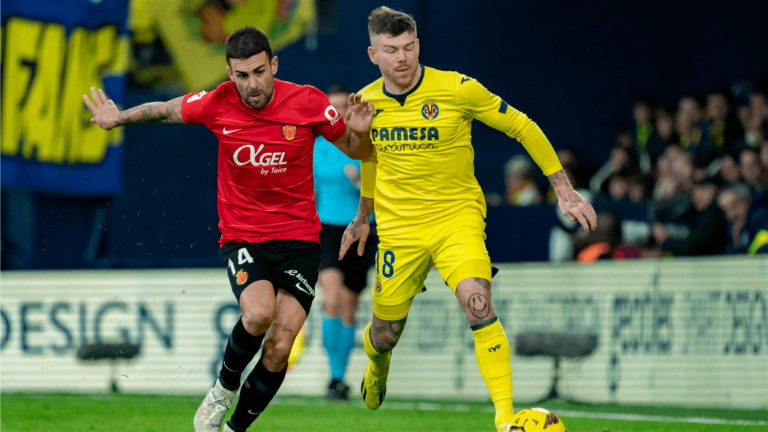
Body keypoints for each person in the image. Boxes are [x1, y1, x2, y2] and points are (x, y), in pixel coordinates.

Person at [84, 26, 374, 432]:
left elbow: (359, 152)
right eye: (241, 75)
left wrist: (360, 133)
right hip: (244, 237)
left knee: (279, 349)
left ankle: (235, 428)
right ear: (229, 73)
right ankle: (222, 390)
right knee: (258, 314)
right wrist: (119, 118)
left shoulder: (308, 102)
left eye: (259, 72)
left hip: (300, 242)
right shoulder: (216, 103)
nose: (252, 85)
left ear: (274, 64)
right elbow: (167, 108)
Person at [338, 8, 597, 432]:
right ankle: (377, 368)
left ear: (418, 44)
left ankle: (505, 420)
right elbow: (369, 158)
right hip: (400, 231)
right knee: (384, 334)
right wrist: (363, 214)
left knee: (478, 303)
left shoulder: (458, 88)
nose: (402, 58)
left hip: (457, 219)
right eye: (391, 50)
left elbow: (522, 126)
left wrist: (563, 188)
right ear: (373, 54)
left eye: (408, 47)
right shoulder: (367, 103)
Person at [313, 85, 378, 400]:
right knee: (332, 298)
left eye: (342, 107)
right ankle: (332, 376)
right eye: (332, 107)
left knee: (350, 308)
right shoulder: (316, 146)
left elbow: (384, 185)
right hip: (326, 228)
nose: (336, 112)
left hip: (363, 227)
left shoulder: (365, 144)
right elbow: (305, 191)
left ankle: (339, 379)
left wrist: (361, 181)